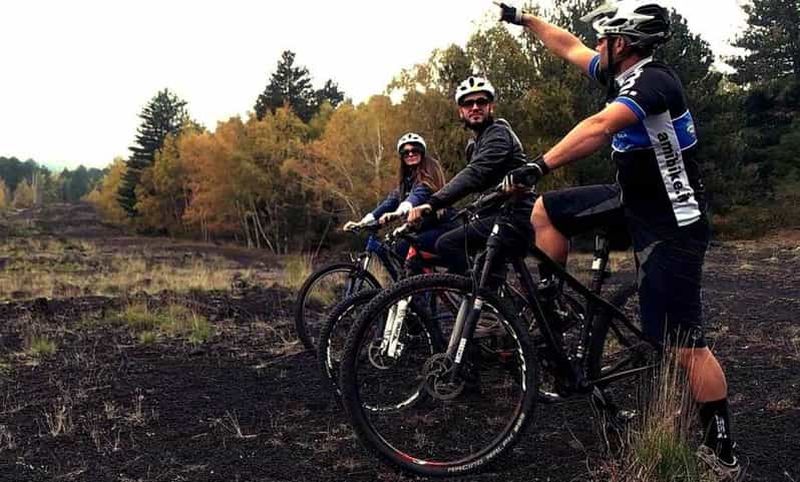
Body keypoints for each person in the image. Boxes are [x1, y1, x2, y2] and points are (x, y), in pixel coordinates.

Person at [496, 1, 741, 478]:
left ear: (622, 44)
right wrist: (523, 19)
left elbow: (599, 127)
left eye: (605, 39)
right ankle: (554, 302)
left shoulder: (654, 83)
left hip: (673, 221)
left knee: (684, 344)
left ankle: (722, 451)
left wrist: (538, 165)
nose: (597, 47)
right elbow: (567, 46)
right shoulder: (624, 74)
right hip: (632, 199)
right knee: (545, 211)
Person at [408, 76, 532, 277]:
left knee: (447, 244)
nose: (475, 107)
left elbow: (474, 174)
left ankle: (471, 291)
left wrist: (433, 203)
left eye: (481, 102)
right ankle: (492, 298)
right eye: (468, 103)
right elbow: (480, 186)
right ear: (461, 111)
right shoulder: (474, 146)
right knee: (487, 277)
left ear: (490, 106)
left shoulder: (499, 134)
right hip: (493, 216)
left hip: (515, 216)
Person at [343, 132, 450, 257]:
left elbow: (416, 196)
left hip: (443, 227)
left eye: (414, 150)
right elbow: (389, 202)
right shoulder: (406, 182)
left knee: (406, 248)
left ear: (421, 152)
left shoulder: (428, 178)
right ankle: (415, 276)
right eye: (406, 152)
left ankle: (428, 277)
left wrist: (397, 213)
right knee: (399, 248)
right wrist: (363, 222)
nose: (410, 154)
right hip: (425, 229)